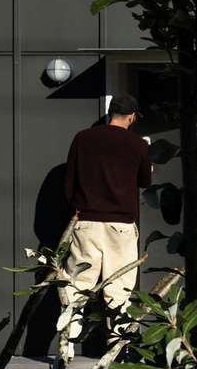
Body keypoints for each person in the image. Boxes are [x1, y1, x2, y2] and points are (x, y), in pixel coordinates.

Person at [58, 93, 152, 346]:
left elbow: (70, 181)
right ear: (131, 117)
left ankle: (67, 341)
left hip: (86, 221)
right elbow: (145, 181)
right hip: (120, 225)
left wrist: (75, 210)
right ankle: (115, 345)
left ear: (111, 113)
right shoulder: (138, 145)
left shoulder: (83, 139)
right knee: (118, 285)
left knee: (78, 281)